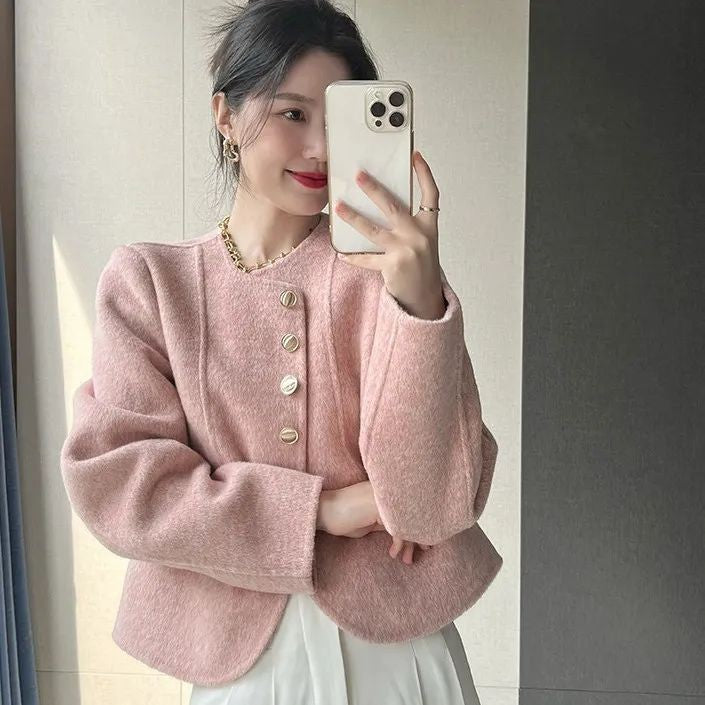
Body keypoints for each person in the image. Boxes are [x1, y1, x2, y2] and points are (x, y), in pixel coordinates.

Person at [60, 1, 503, 703]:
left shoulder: (390, 278)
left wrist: (420, 306)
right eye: (292, 113)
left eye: (339, 122)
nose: (320, 149)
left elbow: (429, 505)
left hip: (402, 655)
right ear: (226, 115)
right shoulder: (150, 284)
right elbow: (127, 489)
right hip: (238, 664)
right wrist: (320, 511)